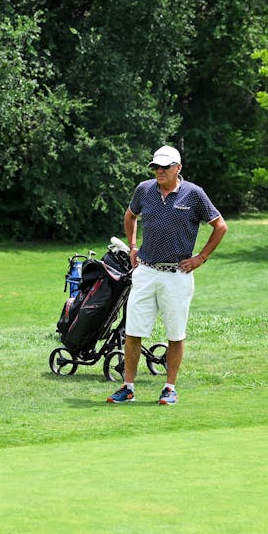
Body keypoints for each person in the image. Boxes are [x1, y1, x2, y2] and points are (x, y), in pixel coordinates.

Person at [107, 145, 227, 405]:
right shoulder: (145, 189)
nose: (159, 171)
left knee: (175, 333)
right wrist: (134, 246)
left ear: (178, 168)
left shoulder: (194, 194)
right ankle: (128, 387)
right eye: (156, 167)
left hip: (177, 274)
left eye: (165, 167)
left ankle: (169, 388)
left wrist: (201, 257)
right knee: (133, 331)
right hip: (146, 271)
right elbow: (130, 216)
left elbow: (220, 226)